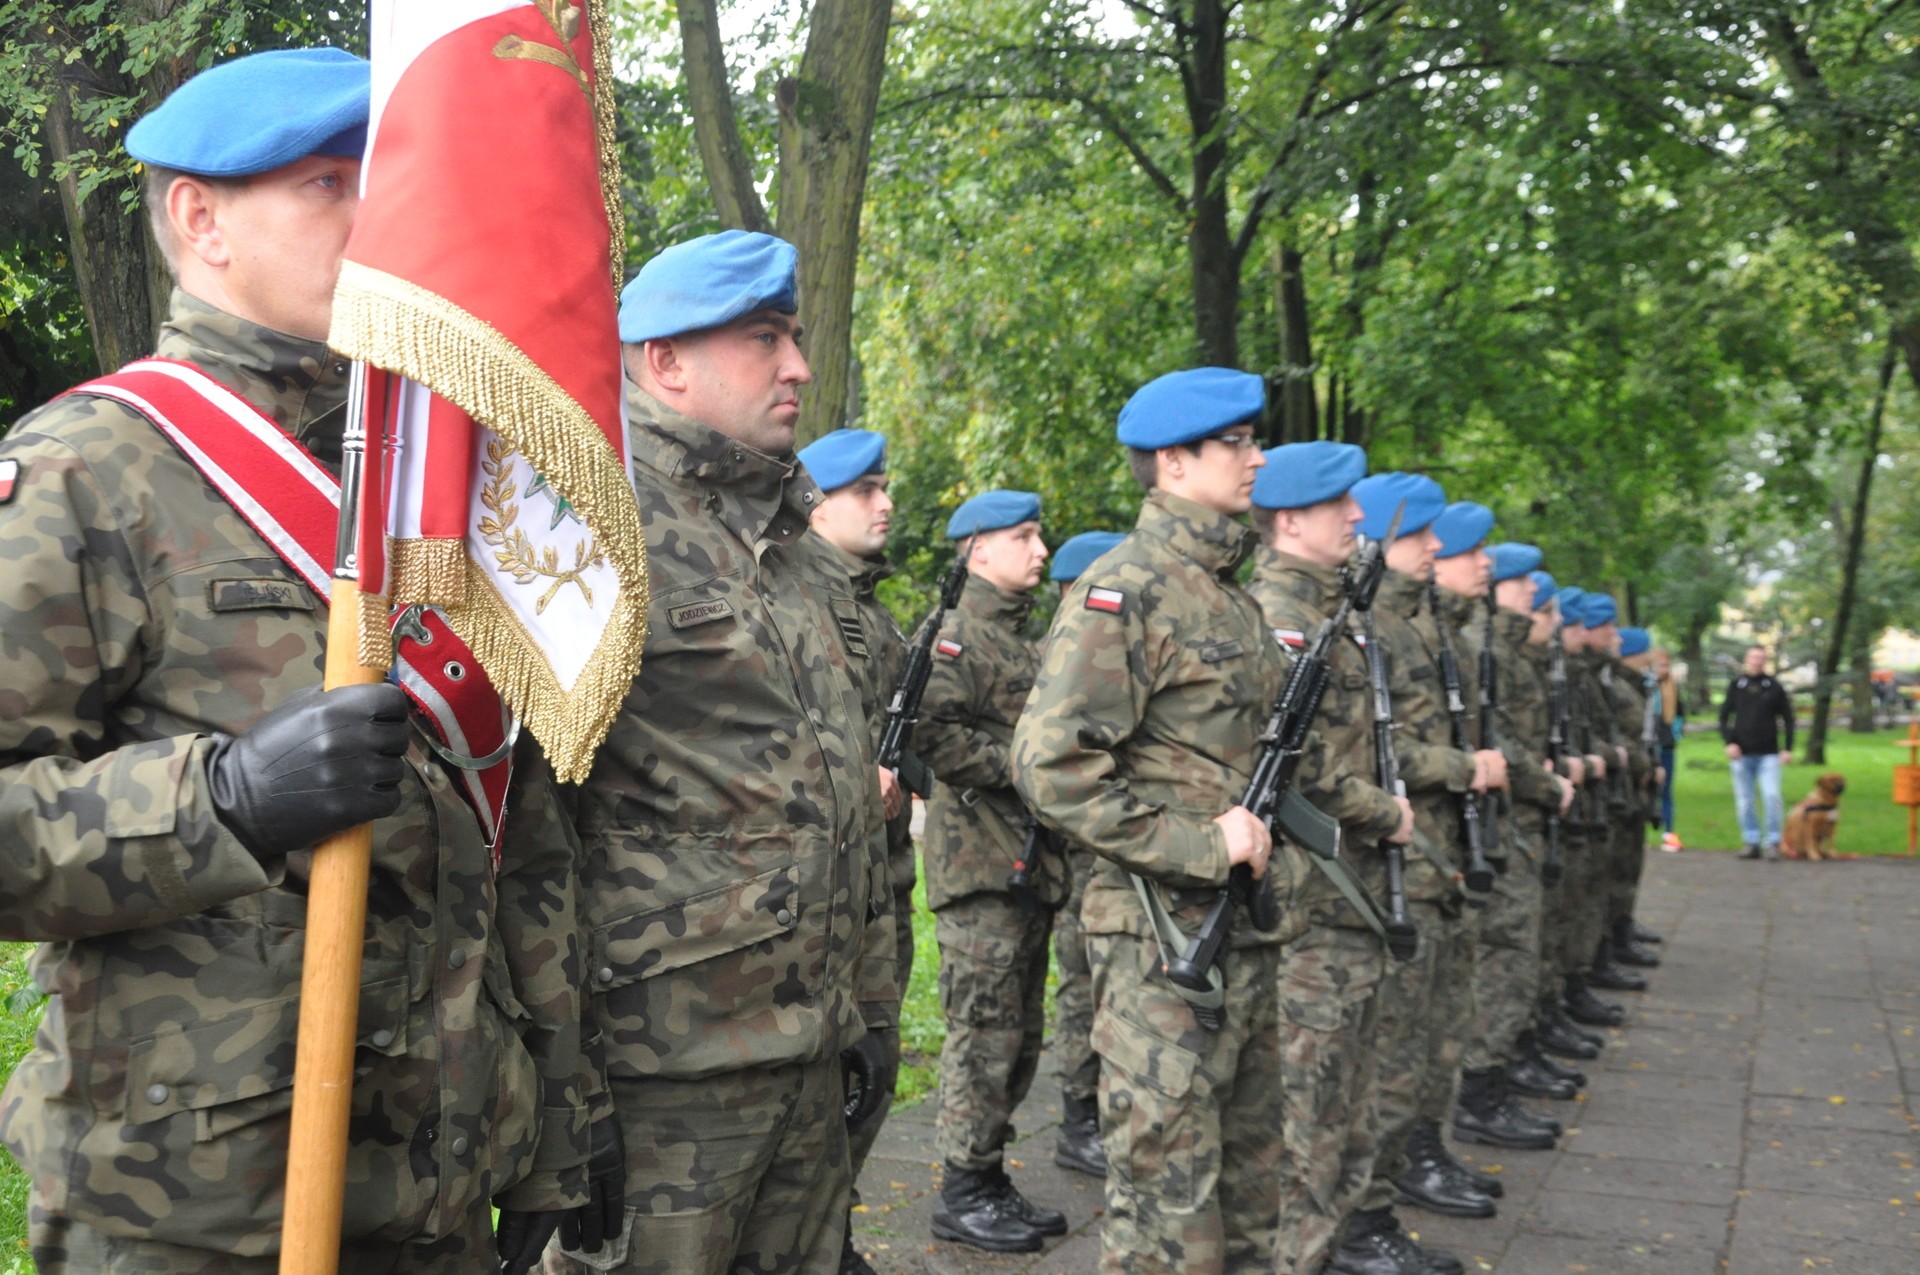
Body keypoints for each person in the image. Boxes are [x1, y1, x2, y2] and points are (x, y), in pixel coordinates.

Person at [0, 49, 596, 1274]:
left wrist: (554, 1130)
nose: (380, 217)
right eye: (329, 183)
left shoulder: (449, 483)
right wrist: (220, 801)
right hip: (196, 1206)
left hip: (442, 1185)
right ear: (200, 218)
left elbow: (515, 827)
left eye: (390, 180)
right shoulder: (86, 471)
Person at [551, 230, 888, 1275]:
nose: (799, 367)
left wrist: (870, 1011)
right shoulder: (586, 527)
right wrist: (567, 1092)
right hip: (664, 1078)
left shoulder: (790, 543)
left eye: (793, 336)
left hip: (806, 1054)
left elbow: (839, 794)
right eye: (764, 339)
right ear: (666, 361)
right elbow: (529, 825)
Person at [1013, 367, 1286, 1275]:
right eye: (1237, 442)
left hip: (1240, 933)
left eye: (1253, 439)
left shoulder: (1226, 592)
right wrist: (1203, 846)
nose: (1257, 458)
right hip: (1158, 945)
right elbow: (1050, 765)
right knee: (1168, 1216)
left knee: (1250, 1202)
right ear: (1174, 461)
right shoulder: (1125, 588)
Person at [1245, 442, 1417, 1275]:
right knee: (1307, 1115)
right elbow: (1298, 763)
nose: (1356, 515)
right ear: (1289, 520)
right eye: (1338, 504)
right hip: (1309, 904)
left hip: (1348, 898)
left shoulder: (1335, 611)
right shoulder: (1277, 616)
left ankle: (1334, 1246)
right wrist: (1386, 812)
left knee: (1348, 1100)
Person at [1349, 474, 1508, 1273]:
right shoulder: (1370, 628)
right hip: (1397, 862)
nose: (1439, 549)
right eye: (1421, 535)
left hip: (1439, 857)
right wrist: (1462, 766)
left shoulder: (1421, 628)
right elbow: (1376, 754)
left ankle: (1417, 1152)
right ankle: (1368, 1206)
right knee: (1393, 1047)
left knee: (1436, 1032)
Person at [917, 488, 1069, 1254]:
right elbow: (930, 731)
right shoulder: (956, 636)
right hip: (980, 867)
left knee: (1019, 1034)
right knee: (983, 1035)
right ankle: (964, 1188)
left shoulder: (1019, 641)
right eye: (1024, 537)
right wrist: (1023, 767)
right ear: (979, 550)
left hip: (1025, 868)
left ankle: (988, 1173)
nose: (1040, 551)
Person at [793, 427, 917, 1275]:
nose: (885, 504)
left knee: (874, 1063)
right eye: (865, 490)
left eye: (884, 486)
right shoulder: (798, 602)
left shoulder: (875, 615)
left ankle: (831, 1230)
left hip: (884, 880)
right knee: (834, 1073)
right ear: (816, 506)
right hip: (825, 887)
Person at [1429, 522, 1567, 1162]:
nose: (1535, 595)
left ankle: (1497, 1075)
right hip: (1473, 826)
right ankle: (1480, 1095)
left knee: (1511, 953)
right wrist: (1546, 782)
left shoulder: (1486, 644)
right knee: (1496, 958)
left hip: (1500, 823)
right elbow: (1495, 743)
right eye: (1524, 583)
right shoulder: (1470, 641)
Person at [1042, 530, 1127, 1182]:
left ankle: (1098, 1110)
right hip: (1076, 855)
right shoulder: (1067, 656)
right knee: (1081, 986)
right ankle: (1078, 1118)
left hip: (1101, 853)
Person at [1720, 644, 1794, 859]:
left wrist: (1787, 748)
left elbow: (1788, 718)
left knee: (1772, 796)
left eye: (1761, 658)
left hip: (1768, 754)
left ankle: (1773, 842)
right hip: (1742, 754)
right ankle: (1751, 841)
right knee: (1745, 800)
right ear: (1747, 660)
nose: (1757, 662)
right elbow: (1724, 717)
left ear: (1765, 661)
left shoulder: (1773, 686)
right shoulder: (1737, 685)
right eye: (1753, 657)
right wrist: (1729, 743)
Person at [1654, 650, 1685, 851]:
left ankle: (1668, 833)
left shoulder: (1672, 688)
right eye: (1660, 665)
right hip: (1647, 746)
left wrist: (1675, 733)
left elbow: (1680, 715)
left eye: (1666, 666)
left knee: (1666, 791)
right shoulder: (1644, 687)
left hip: (1666, 745)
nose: (1663, 670)